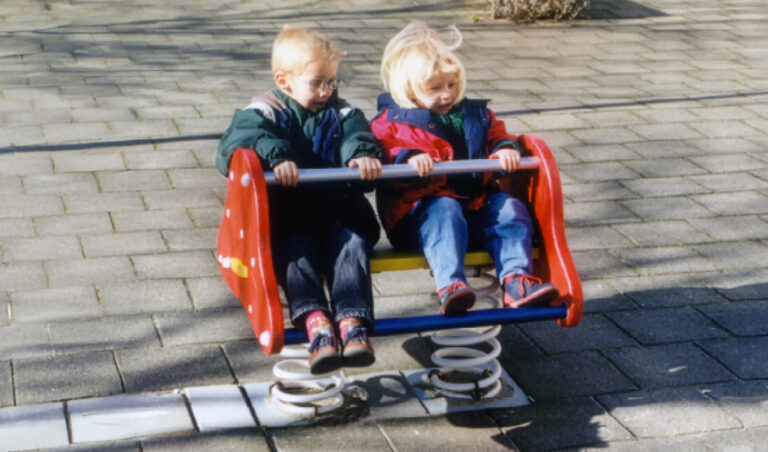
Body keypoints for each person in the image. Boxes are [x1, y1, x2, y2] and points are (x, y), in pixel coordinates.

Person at [216, 26, 382, 375]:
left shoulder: (343, 113)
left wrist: (362, 155)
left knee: (352, 245)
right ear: (284, 80)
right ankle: (316, 322)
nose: (327, 91)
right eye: (318, 82)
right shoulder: (266, 111)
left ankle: (353, 322)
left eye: (332, 81)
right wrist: (277, 156)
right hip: (289, 216)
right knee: (295, 252)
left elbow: (359, 134)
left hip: (340, 212)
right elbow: (239, 141)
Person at [370, 21, 558, 315]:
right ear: (407, 88)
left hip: (474, 207)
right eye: (434, 88)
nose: (446, 94)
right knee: (444, 207)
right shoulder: (390, 123)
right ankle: (451, 286)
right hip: (417, 218)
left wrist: (505, 149)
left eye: (451, 84)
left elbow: (498, 134)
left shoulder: (476, 114)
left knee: (509, 207)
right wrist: (407, 159)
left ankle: (516, 280)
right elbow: (384, 149)